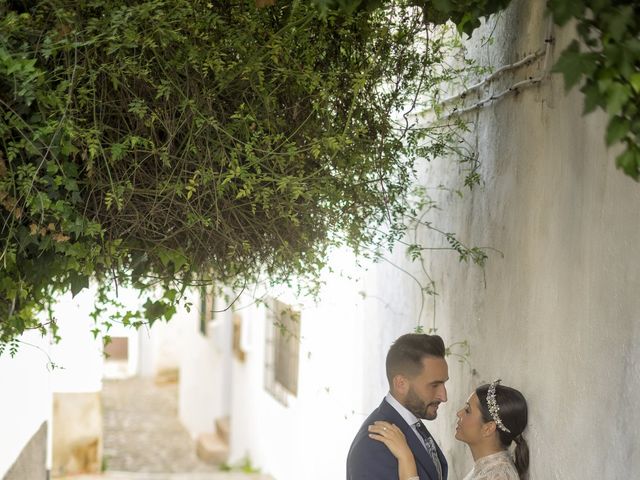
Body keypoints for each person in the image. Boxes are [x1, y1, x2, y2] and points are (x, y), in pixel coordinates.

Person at [369, 380, 529, 480]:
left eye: (467, 410)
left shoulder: (498, 476)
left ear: (488, 428)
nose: (459, 413)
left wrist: (406, 458)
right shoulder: (491, 468)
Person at [346, 333, 449, 480]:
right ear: (401, 384)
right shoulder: (373, 445)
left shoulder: (412, 425)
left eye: (444, 384)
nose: (444, 397)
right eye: (434, 385)